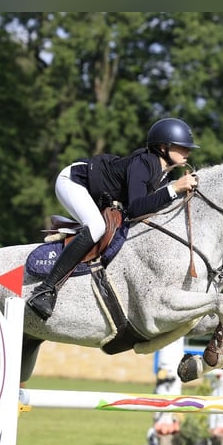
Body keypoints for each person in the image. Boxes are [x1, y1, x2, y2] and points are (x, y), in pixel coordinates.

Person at [27, 117, 201, 320]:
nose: (188, 152)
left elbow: (149, 207)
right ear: (163, 147)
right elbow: (136, 208)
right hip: (73, 181)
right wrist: (175, 188)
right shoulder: (144, 163)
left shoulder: (164, 176)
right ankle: (45, 290)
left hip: (96, 193)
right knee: (96, 226)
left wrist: (177, 189)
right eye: (182, 147)